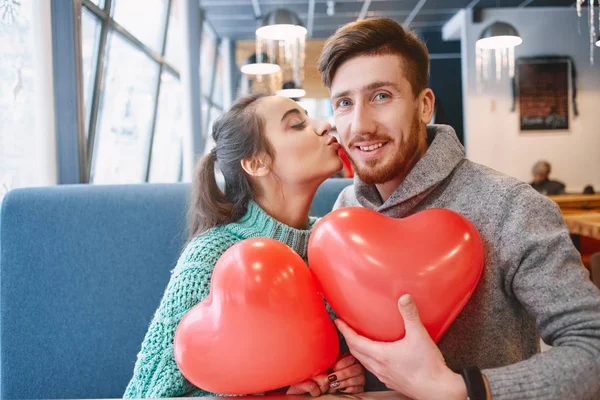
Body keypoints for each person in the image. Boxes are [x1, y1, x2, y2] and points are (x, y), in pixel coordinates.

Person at [317, 18, 600, 400]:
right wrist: (328, 371)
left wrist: (460, 389)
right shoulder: (342, 214)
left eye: (381, 96)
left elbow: (591, 347)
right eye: (345, 103)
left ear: (424, 106)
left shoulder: (511, 207)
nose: (360, 124)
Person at [123, 94, 365, 398]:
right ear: (256, 163)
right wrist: (264, 394)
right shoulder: (212, 255)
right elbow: (146, 393)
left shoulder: (334, 245)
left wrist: (347, 374)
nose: (324, 125)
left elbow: (334, 363)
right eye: (297, 124)